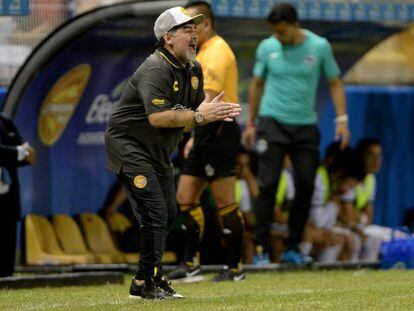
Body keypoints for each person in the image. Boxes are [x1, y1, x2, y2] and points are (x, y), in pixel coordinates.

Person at [104, 6, 241, 300]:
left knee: (168, 212)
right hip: (129, 146)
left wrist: (212, 112)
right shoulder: (156, 68)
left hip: (157, 150)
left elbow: (193, 109)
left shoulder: (193, 68)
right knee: (154, 211)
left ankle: (144, 281)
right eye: (187, 30)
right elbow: (159, 117)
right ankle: (149, 283)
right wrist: (201, 116)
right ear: (168, 37)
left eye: (195, 29)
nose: (194, 35)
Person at [243, 2, 350, 265]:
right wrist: (250, 123)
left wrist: (342, 120)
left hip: (304, 125)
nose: (277, 37)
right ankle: (260, 250)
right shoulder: (267, 47)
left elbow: (335, 82)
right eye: (274, 32)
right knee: (267, 186)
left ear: (295, 25)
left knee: (305, 185)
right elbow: (257, 85)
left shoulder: (319, 46)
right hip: (272, 122)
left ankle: (293, 247)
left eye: (282, 32)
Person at [168, 1, 245, 282]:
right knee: (185, 197)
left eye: (190, 26)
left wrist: (186, 129)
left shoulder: (216, 53)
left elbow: (208, 102)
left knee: (225, 201)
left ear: (206, 25)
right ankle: (191, 265)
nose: (186, 32)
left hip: (218, 130)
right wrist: (192, 137)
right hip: (204, 130)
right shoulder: (201, 53)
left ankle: (235, 268)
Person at [0, 113, 36, 277]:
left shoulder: (5, 121)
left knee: (8, 238)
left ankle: (7, 279)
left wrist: (19, 153)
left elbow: (29, 155)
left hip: (8, 193)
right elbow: (21, 152)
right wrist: (17, 152)